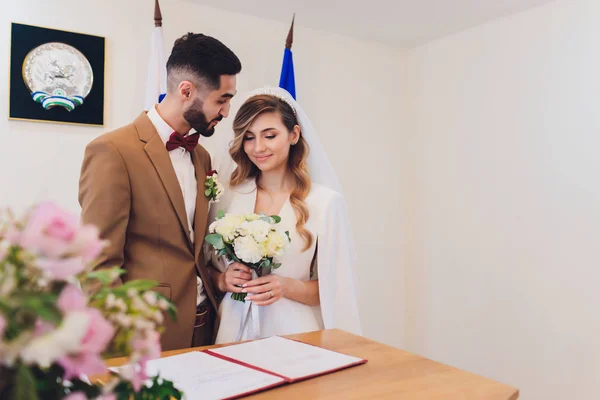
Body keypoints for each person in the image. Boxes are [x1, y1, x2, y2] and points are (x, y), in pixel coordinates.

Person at [78, 33, 241, 350]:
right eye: (222, 99)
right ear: (186, 91)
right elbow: (97, 264)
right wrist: (118, 347)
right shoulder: (112, 151)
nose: (226, 112)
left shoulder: (202, 156)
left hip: (207, 325)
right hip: (145, 334)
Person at [206, 86, 361, 343]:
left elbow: (339, 289)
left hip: (295, 332)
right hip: (232, 331)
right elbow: (204, 268)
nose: (258, 147)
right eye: (249, 137)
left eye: (269, 136)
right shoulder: (229, 196)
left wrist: (288, 286)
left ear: (293, 135)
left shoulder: (325, 203)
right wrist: (223, 280)